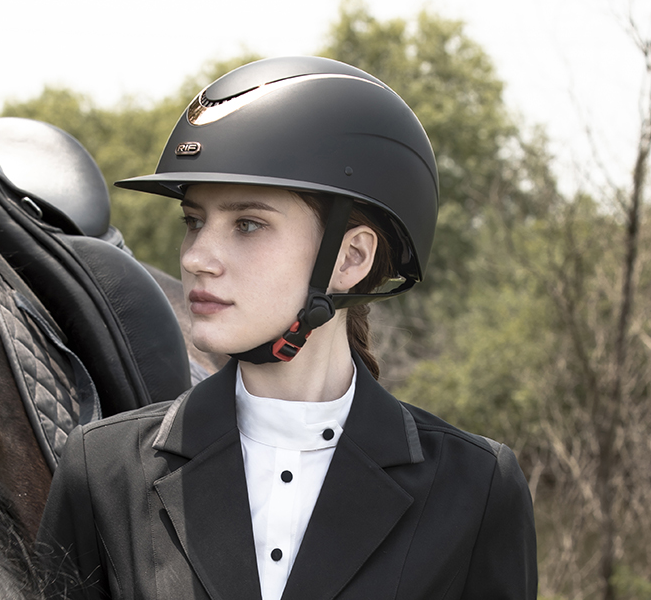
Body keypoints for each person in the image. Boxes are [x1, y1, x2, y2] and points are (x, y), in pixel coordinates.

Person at [36, 56, 537, 599]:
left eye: (248, 224)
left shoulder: (475, 487)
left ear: (350, 258)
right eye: (194, 221)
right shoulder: (103, 470)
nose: (196, 257)